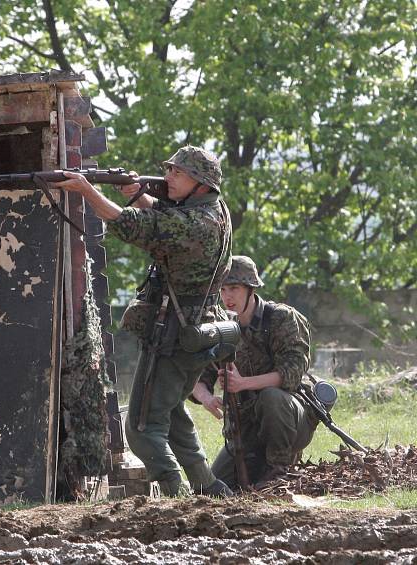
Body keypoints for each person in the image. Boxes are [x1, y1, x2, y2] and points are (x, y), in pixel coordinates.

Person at [53, 146, 233, 497]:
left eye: (177, 173)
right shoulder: (214, 212)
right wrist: (138, 195)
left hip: (175, 335)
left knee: (141, 428)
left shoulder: (197, 224)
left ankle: (175, 495)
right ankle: (209, 487)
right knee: (171, 414)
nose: (168, 178)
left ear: (200, 183)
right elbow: (165, 223)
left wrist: (88, 190)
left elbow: (135, 226)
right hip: (195, 331)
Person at [191, 255, 317, 489]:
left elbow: (291, 372)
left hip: (290, 420)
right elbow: (198, 377)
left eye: (234, 289)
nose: (227, 297)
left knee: (271, 396)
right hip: (246, 431)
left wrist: (242, 383)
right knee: (210, 489)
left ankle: (279, 470)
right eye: (223, 289)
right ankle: (260, 469)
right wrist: (206, 397)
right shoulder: (221, 328)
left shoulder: (281, 318)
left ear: (251, 289)